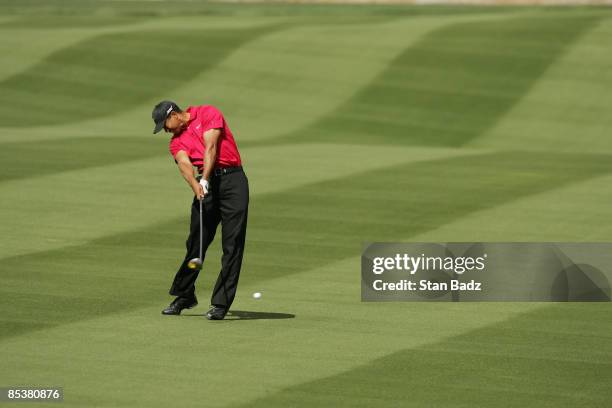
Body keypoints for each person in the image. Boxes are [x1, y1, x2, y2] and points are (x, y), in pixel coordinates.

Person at [151, 100, 249, 320]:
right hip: (206, 187)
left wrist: (204, 178)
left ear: (174, 114)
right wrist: (197, 186)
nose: (166, 130)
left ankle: (220, 303)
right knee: (196, 243)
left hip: (232, 181)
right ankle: (185, 295)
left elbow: (211, 147)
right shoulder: (175, 142)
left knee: (232, 243)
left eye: (165, 124)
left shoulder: (207, 113)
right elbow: (184, 165)